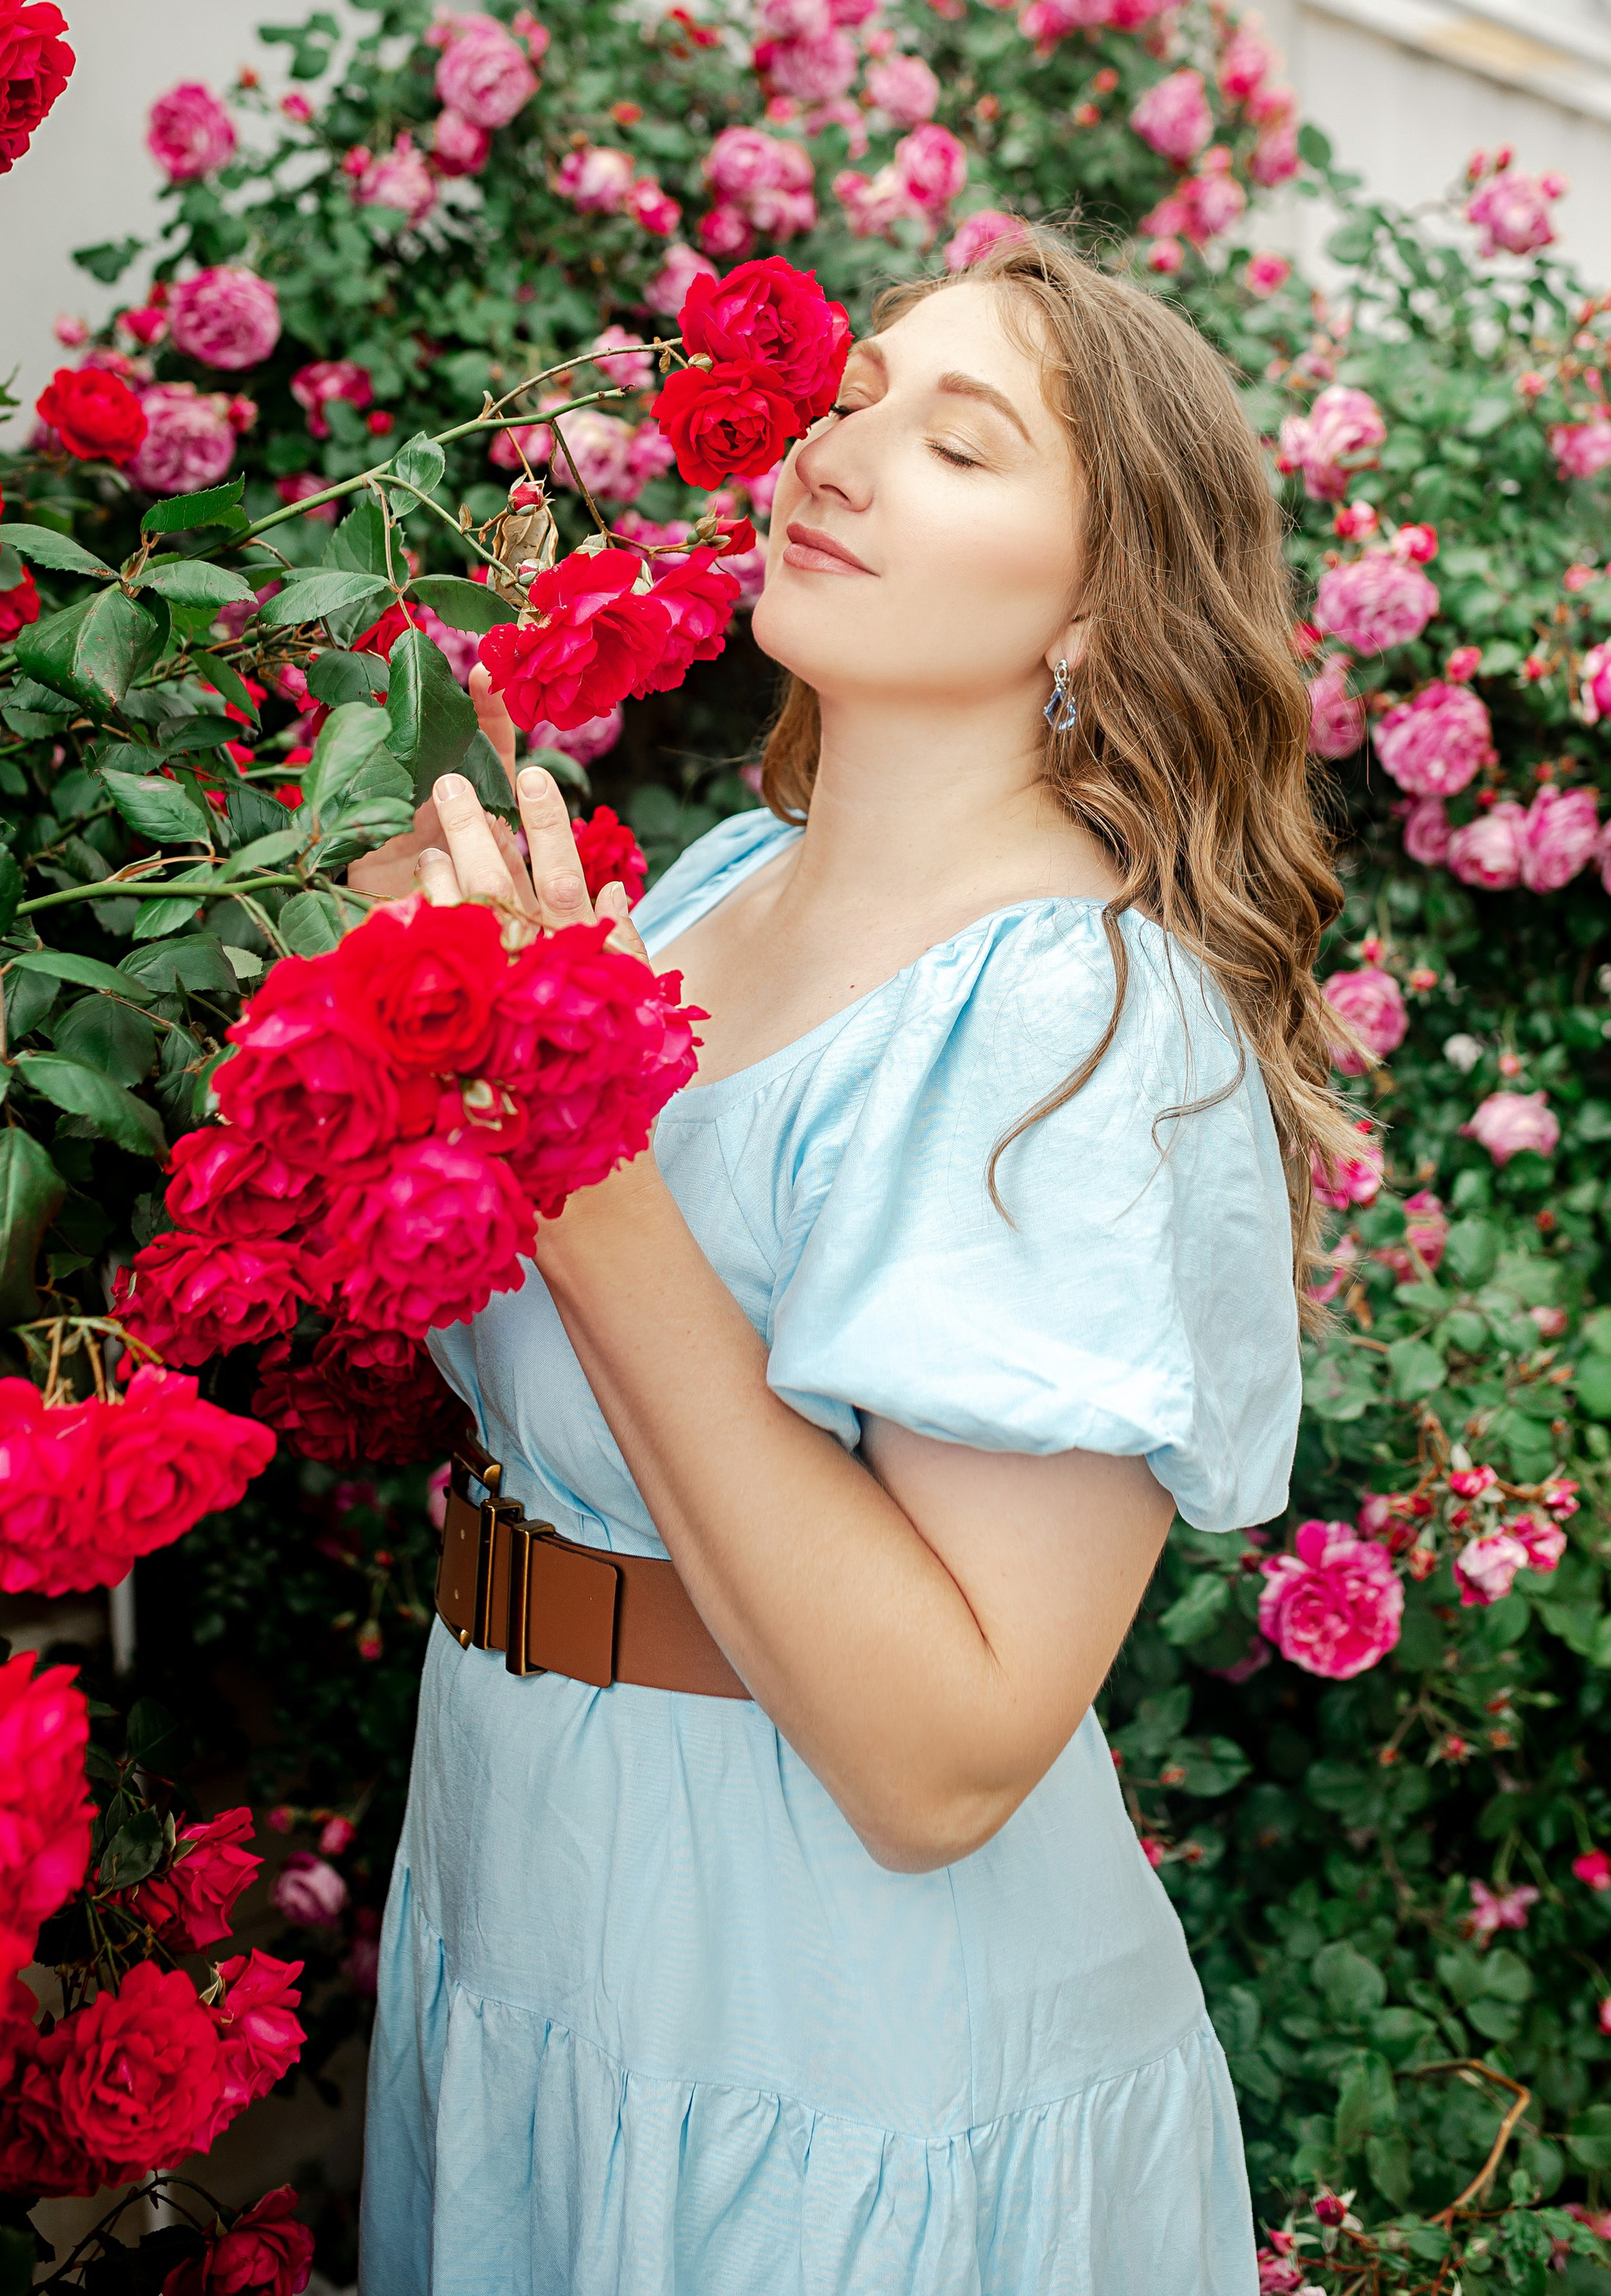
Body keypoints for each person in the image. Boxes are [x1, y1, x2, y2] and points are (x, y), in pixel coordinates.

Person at [350, 232, 1348, 2295]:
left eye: (957, 444)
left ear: (1098, 604)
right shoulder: (719, 885)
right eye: (852, 397)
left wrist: (574, 1157)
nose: (842, 454)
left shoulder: (1081, 1031)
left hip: (840, 2054)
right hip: (535, 1922)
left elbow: (944, 1756)